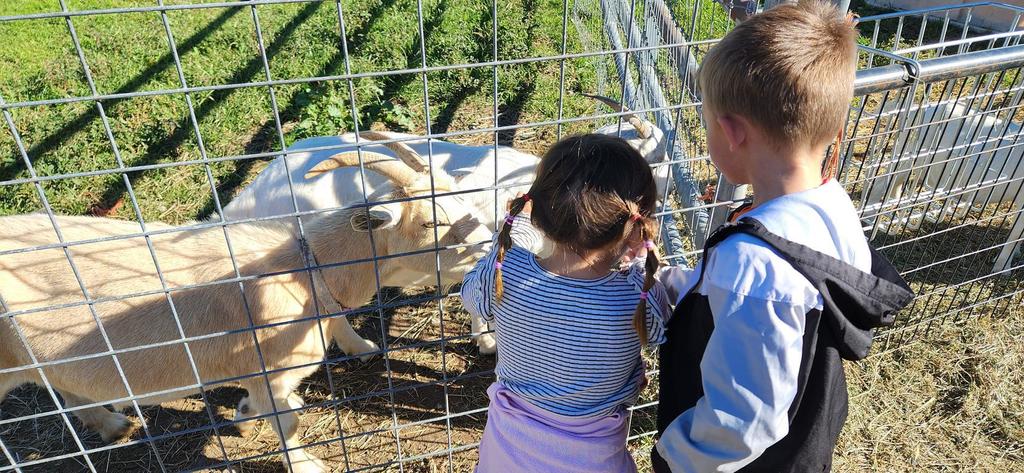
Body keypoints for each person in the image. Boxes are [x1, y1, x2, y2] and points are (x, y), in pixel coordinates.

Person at [651, 2, 914, 472]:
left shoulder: (755, 265)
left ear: (731, 132)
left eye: (707, 122)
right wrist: (681, 284)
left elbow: (742, 422)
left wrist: (674, 457)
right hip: (804, 443)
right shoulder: (830, 207)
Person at [461, 133, 671, 472]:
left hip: (505, 457)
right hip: (595, 462)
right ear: (638, 226)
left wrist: (515, 230)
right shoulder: (639, 294)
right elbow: (659, 330)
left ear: (537, 212)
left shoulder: (505, 271)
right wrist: (639, 257)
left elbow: (472, 298)